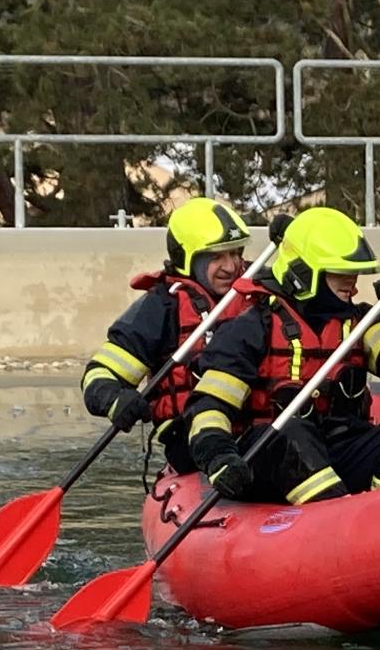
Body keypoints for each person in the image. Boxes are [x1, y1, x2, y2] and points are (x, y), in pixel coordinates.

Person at [180, 206, 380, 504]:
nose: (352, 281)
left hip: (340, 444)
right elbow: (210, 405)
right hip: (270, 454)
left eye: (354, 273)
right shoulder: (253, 326)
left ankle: (378, 517)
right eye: (341, 273)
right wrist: (219, 455)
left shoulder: (358, 322)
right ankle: (337, 522)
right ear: (305, 272)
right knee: (290, 433)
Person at [81, 196, 254, 473]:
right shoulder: (161, 307)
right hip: (189, 438)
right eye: (216, 257)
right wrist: (115, 399)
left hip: (257, 428)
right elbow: (98, 375)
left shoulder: (259, 292)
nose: (231, 266)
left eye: (235, 253)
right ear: (188, 259)